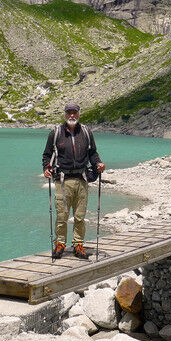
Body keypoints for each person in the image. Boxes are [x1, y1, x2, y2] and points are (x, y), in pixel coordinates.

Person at [42, 103, 105, 259]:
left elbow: (93, 153)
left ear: (78, 114)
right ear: (65, 114)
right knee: (62, 216)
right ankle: (60, 244)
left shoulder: (86, 132)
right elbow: (47, 155)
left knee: (79, 216)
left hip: (82, 180)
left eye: (74, 113)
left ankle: (78, 245)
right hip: (62, 181)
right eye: (69, 113)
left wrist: (98, 163)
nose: (72, 115)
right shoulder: (55, 133)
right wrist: (46, 168)